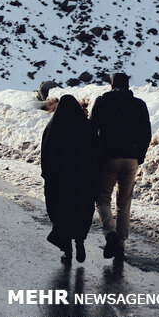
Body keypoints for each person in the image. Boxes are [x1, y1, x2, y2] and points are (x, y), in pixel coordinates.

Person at [91, 73, 151, 260]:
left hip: (109, 158)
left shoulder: (101, 102)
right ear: (128, 86)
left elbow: (92, 130)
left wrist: (96, 156)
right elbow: (146, 133)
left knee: (102, 200)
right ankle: (121, 244)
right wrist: (139, 156)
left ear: (111, 86)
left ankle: (111, 233)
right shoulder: (139, 104)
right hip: (131, 159)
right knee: (124, 203)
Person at [41, 95, 97, 264]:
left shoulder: (52, 127)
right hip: (82, 180)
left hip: (59, 180)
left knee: (61, 212)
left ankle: (67, 248)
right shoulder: (86, 126)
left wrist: (47, 175)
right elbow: (95, 151)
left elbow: (45, 153)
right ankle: (79, 241)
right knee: (81, 210)